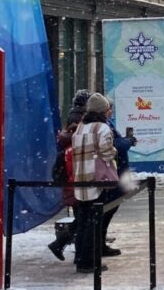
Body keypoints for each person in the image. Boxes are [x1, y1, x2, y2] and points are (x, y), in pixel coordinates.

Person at [70, 93, 120, 272]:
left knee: (83, 220)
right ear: (103, 111)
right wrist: (113, 152)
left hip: (80, 178)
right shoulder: (102, 128)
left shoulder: (80, 127)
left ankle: (80, 257)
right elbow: (107, 153)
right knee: (94, 222)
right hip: (97, 179)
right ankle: (89, 261)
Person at [48, 90, 90, 261]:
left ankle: (66, 246)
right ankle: (75, 253)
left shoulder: (73, 119)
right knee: (83, 218)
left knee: (81, 217)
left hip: (70, 176)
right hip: (76, 176)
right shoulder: (80, 121)